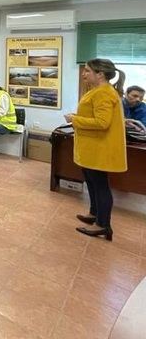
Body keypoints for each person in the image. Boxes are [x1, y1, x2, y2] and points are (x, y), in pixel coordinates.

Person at [65, 59, 127, 241]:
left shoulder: (104, 93)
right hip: (91, 147)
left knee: (100, 186)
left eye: (87, 71)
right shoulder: (98, 91)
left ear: (100, 74)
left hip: (99, 148)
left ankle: (103, 225)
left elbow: (102, 122)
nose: (84, 74)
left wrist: (74, 119)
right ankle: (94, 214)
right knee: (91, 182)